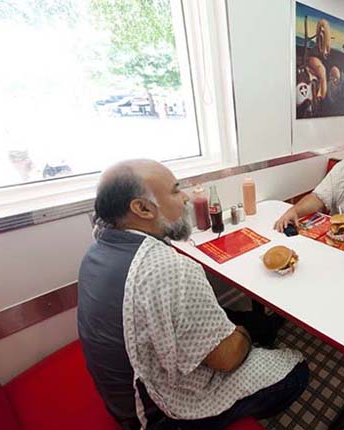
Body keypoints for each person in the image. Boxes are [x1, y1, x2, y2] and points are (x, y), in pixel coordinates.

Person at [78, 160, 308, 430]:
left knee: (244, 320)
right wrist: (242, 334)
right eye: (175, 191)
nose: (185, 197)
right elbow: (227, 359)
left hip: (121, 397)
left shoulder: (95, 253)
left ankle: (259, 332)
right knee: (296, 370)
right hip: (160, 415)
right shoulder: (170, 268)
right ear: (141, 208)